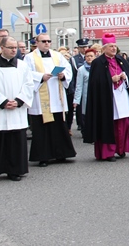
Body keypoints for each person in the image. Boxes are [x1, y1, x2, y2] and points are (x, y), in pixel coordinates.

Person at [83, 33, 129, 161]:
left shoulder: (121, 60)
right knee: (108, 125)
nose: (114, 48)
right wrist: (110, 80)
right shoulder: (98, 63)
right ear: (104, 48)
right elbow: (95, 83)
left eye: (115, 46)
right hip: (106, 99)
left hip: (122, 96)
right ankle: (108, 152)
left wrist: (125, 77)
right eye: (111, 46)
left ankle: (121, 149)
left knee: (124, 123)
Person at [0, 37, 34, 181]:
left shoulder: (22, 66)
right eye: (10, 47)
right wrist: (3, 102)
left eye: (15, 47)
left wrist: (18, 101)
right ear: (2, 48)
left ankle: (15, 170)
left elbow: (29, 85)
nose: (13, 50)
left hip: (17, 110)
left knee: (16, 141)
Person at [24, 33, 76, 167]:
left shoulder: (57, 56)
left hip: (56, 96)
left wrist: (63, 76)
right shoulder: (29, 57)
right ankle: (43, 156)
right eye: (43, 41)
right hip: (40, 97)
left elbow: (68, 70)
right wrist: (41, 77)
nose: (47, 43)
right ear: (37, 43)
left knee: (58, 126)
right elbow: (26, 74)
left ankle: (61, 153)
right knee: (42, 128)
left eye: (48, 41)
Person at [73, 48, 95, 134]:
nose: (89, 58)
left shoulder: (98, 68)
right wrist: (76, 100)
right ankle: (86, 132)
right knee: (86, 115)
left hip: (96, 95)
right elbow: (79, 86)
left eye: (91, 56)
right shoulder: (81, 69)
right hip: (86, 96)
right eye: (87, 56)